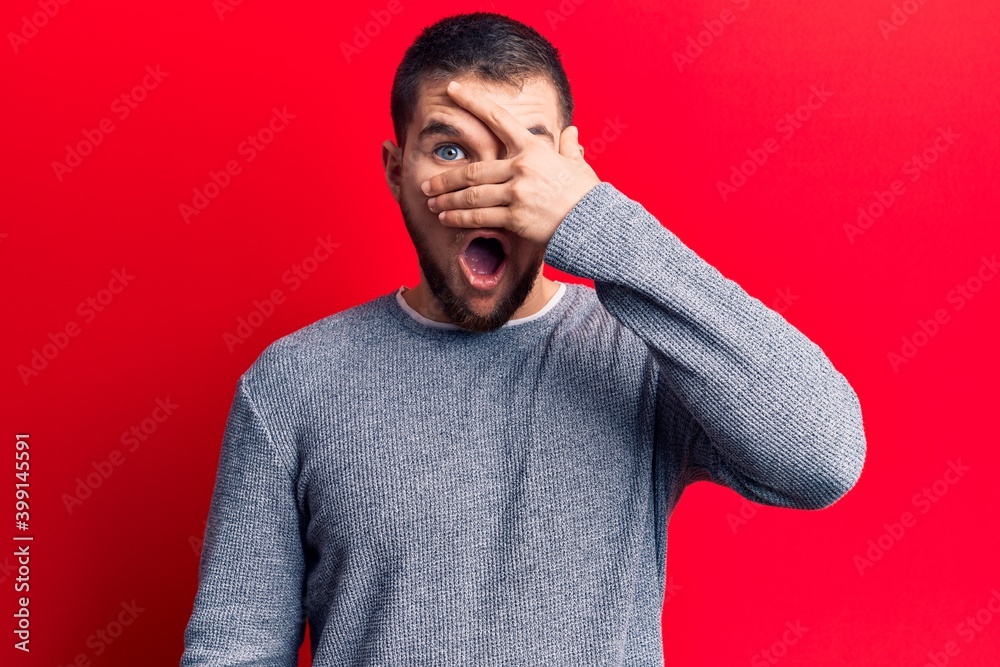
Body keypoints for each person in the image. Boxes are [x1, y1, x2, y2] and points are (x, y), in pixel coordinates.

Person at [181, 11, 866, 666]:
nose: (489, 190)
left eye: (521, 155)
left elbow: (823, 456)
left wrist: (598, 222)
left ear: (567, 169)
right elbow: (234, 648)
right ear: (396, 172)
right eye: (451, 149)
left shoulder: (637, 355)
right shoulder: (295, 382)